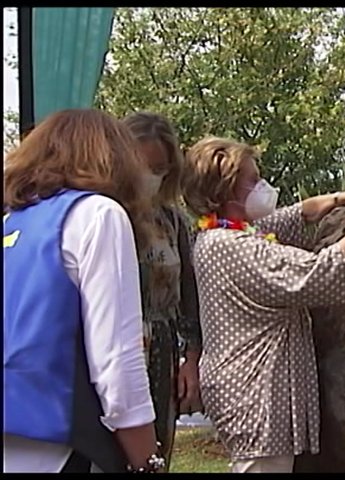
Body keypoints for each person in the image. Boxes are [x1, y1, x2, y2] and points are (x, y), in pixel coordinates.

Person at [181, 136, 345, 473]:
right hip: (253, 396)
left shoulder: (223, 234)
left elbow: (289, 218)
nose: (262, 186)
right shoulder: (229, 245)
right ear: (226, 189)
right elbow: (315, 272)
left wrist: (339, 198)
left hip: (251, 392)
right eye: (252, 179)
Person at [3, 109, 164, 473]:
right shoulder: (98, 215)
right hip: (61, 445)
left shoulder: (11, 221)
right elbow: (118, 362)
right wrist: (147, 461)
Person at [122, 112, 203, 471]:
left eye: (159, 169)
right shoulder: (102, 214)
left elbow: (190, 295)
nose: (150, 177)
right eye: (143, 166)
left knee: (156, 455)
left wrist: (192, 358)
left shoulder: (173, 222)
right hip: (118, 350)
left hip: (164, 350)